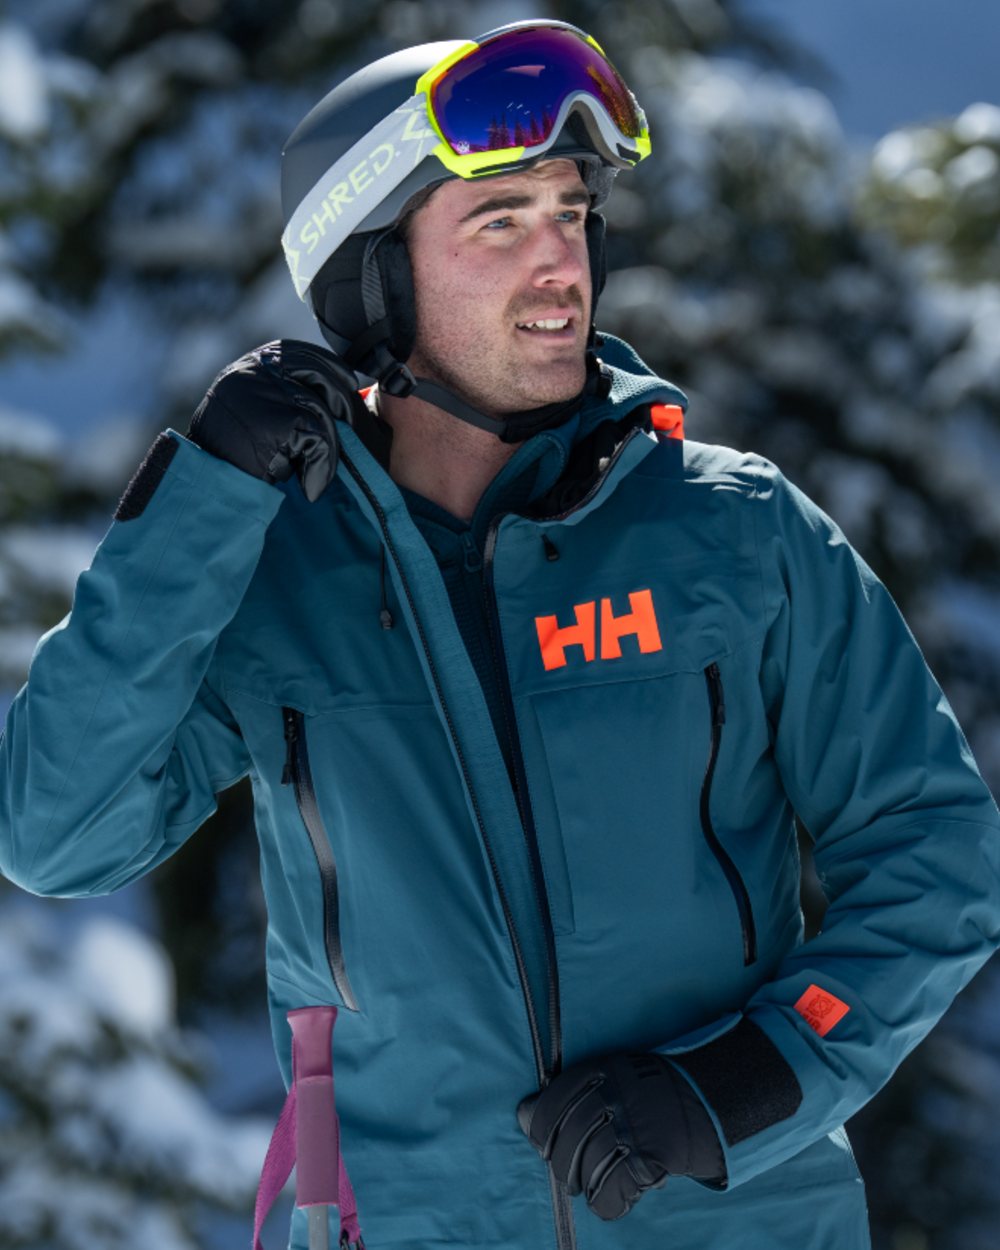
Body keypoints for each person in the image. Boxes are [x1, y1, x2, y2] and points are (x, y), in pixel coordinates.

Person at [1, 18, 999, 1250]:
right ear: (376, 278)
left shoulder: (733, 533)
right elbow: (55, 832)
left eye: (571, 214)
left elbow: (937, 853)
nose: (560, 262)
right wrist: (195, 503)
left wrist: (743, 1084)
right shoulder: (270, 576)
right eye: (500, 221)